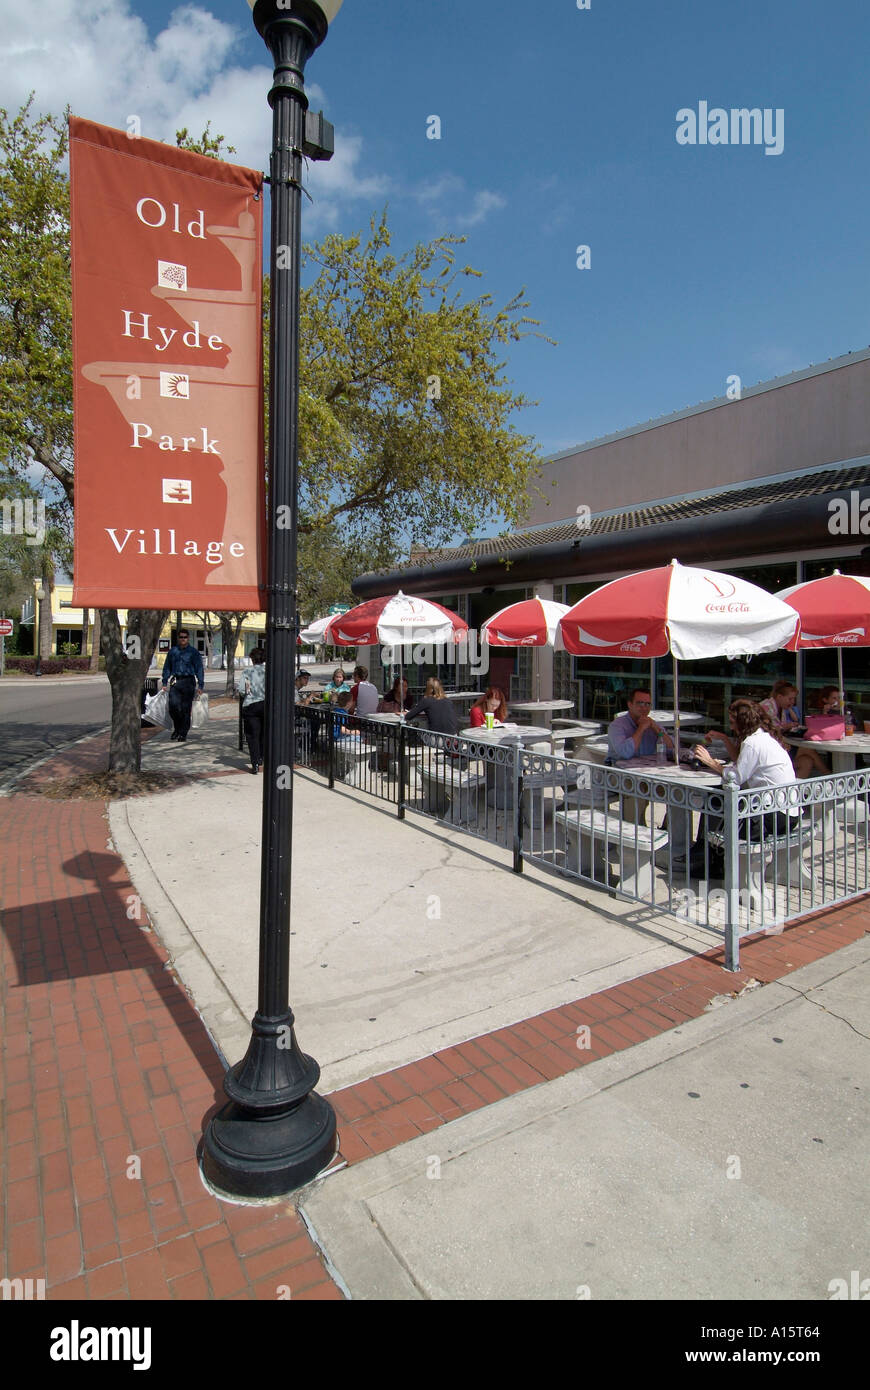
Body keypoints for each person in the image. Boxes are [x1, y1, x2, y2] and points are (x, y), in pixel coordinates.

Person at [693, 698, 800, 840]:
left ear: (742, 723)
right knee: (721, 801)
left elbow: (736, 778)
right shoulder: (763, 737)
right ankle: (709, 851)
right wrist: (725, 739)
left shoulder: (752, 743)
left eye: (732, 723)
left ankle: (706, 851)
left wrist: (710, 762)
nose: (731, 727)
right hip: (788, 813)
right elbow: (741, 762)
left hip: (774, 815)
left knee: (715, 801)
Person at [607, 688, 675, 761]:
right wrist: (641, 728)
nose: (644, 708)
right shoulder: (617, 726)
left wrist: (657, 730)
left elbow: (671, 748)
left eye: (648, 704)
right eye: (640, 703)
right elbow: (625, 753)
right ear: (630, 704)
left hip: (647, 768)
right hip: (619, 770)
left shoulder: (653, 724)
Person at [162, 627, 204, 743]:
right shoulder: (173, 651)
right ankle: (177, 728)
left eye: (185, 637)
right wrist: (164, 682)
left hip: (188, 682)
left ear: (188, 638)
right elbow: (167, 667)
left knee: (186, 709)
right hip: (175, 681)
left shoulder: (193, 652)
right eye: (181, 637)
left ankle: (183, 733)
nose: (183, 639)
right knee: (173, 707)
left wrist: (200, 685)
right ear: (178, 638)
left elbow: (199, 669)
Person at [793, 686, 840, 779]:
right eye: (834, 698)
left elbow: (853, 725)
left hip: (841, 746)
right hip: (793, 748)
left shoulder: (845, 711)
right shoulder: (820, 713)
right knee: (806, 752)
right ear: (825, 700)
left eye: (839, 698)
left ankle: (828, 775)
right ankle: (828, 775)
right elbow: (821, 731)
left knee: (807, 758)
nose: (837, 700)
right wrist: (825, 713)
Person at [239, 647, 266, 774]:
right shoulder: (268, 671)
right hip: (266, 705)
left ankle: (255, 762)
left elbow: (243, 690)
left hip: (251, 705)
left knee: (252, 735)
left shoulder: (247, 672)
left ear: (252, 659)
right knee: (263, 733)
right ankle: (262, 756)